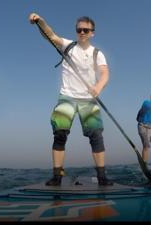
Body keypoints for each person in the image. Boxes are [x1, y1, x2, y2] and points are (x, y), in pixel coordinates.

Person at [29, 13, 113, 186]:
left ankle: (102, 177)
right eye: (79, 29)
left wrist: (98, 87)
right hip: (67, 97)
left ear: (92, 33)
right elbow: (50, 35)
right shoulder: (68, 45)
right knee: (60, 132)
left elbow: (105, 74)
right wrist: (41, 21)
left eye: (86, 30)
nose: (82, 32)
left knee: (96, 135)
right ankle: (57, 176)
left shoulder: (97, 53)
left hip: (88, 99)